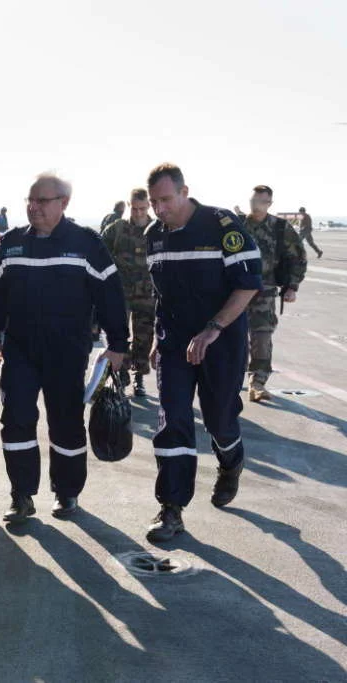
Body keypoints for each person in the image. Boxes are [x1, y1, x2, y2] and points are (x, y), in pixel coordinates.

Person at [0, 173, 128, 523]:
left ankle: (67, 492)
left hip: (66, 352)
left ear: (63, 203)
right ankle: (21, 495)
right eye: (30, 201)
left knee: (66, 423)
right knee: (16, 418)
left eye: (42, 201)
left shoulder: (86, 244)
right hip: (20, 351)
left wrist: (119, 344)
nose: (33, 207)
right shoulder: (12, 243)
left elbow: (110, 295)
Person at [144, 163, 262, 542]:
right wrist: (154, 341)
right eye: (153, 202)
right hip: (175, 344)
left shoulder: (222, 224)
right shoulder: (153, 235)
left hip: (221, 343)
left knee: (219, 420)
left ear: (184, 191)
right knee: (173, 419)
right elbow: (162, 294)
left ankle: (231, 461)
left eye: (165, 199)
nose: (159, 209)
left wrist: (213, 329)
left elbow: (247, 285)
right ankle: (172, 509)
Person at [242, 186, 307, 402]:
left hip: (265, 290)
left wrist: (292, 286)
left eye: (261, 201)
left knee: (261, 336)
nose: (256, 204)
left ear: (269, 203)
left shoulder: (279, 227)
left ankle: (257, 384)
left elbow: (297, 257)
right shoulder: (238, 225)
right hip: (236, 290)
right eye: (254, 199)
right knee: (233, 337)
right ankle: (231, 380)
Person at [101, 188, 154, 396]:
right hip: (121, 291)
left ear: (148, 205)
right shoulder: (118, 228)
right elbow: (100, 251)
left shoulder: (157, 229)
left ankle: (139, 376)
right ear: (129, 205)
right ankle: (121, 373)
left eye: (142, 208)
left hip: (147, 293)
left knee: (144, 335)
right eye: (135, 208)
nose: (139, 213)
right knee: (119, 332)